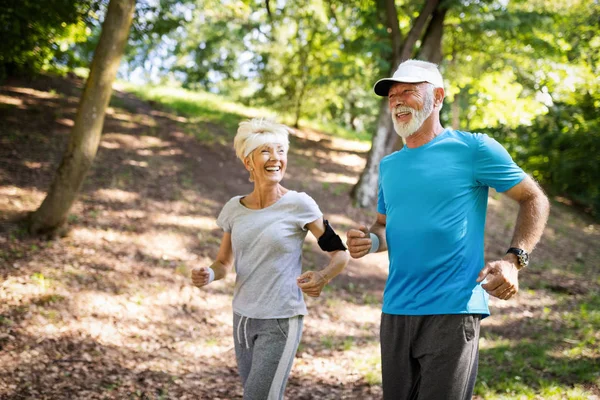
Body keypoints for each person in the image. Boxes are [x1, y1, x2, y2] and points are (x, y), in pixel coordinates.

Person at [346, 59, 550, 400]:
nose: (396, 101)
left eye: (408, 92)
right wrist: (368, 241)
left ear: (437, 97)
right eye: (392, 95)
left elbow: (534, 198)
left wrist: (515, 260)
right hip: (396, 310)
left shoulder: (474, 149)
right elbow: (384, 227)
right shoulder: (390, 165)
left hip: (452, 309)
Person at [192, 118, 350, 400]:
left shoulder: (300, 204)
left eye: (280, 150)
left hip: (280, 319)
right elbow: (223, 264)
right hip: (242, 318)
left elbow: (340, 253)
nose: (275, 158)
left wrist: (323, 276)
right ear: (248, 162)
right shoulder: (234, 208)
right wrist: (208, 273)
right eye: (265, 151)